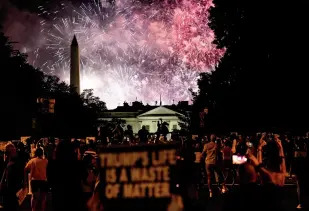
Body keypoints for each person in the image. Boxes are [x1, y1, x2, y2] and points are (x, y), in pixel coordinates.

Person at [0, 142, 22, 211]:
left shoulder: (10, 163)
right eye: (14, 151)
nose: (15, 152)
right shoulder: (11, 164)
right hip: (10, 194)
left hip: (10, 193)